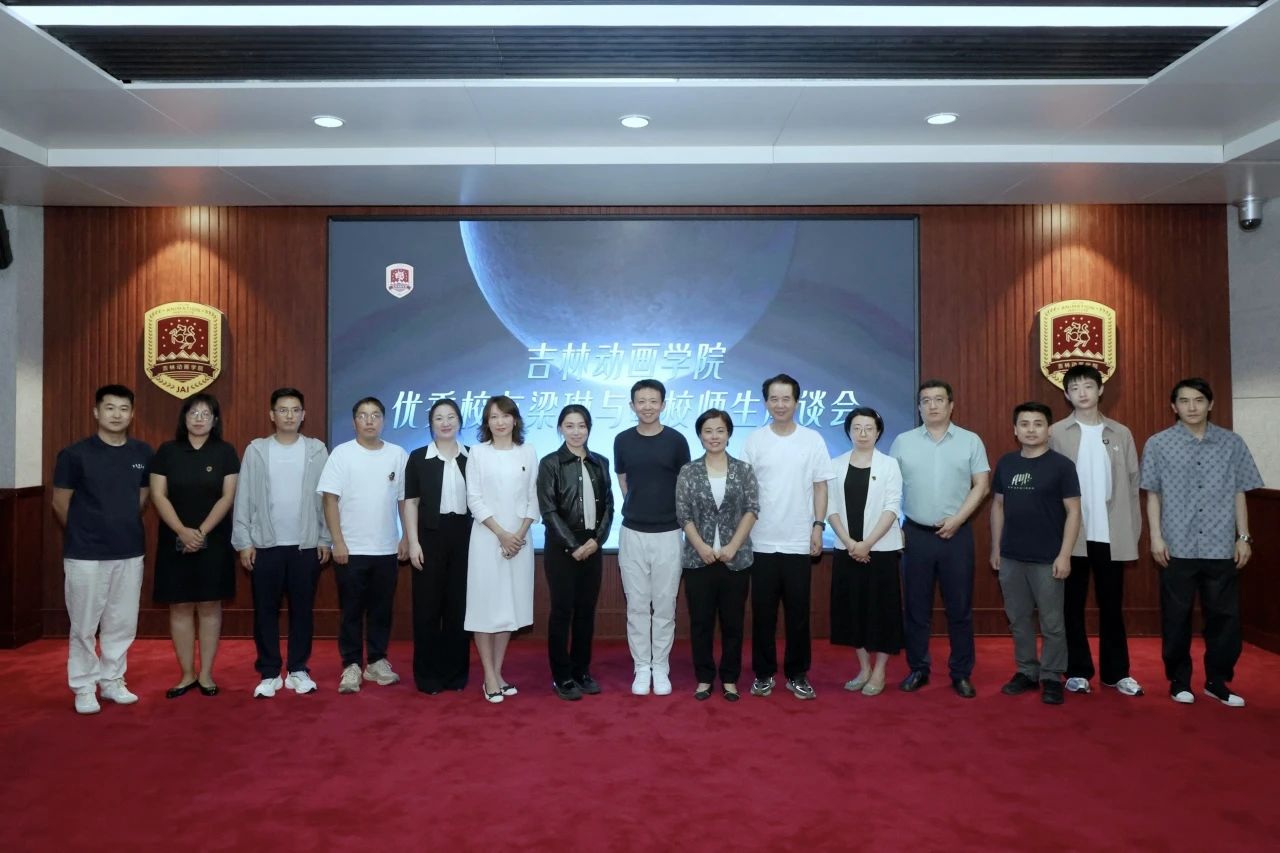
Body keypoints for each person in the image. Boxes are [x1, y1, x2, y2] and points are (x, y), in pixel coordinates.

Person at [1141, 377, 1263, 707]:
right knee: (1176, 617)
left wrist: (1243, 537)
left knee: (1225, 618)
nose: (1191, 407)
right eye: (1184, 401)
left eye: (1198, 400)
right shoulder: (1158, 443)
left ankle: (1217, 681)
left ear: (1210, 404)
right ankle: (1179, 681)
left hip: (1220, 544)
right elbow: (1153, 494)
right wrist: (1156, 537)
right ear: (1174, 406)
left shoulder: (1232, 443)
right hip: (1175, 545)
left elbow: (1239, 492)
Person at [52, 384, 154, 714]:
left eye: (124, 409)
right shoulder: (74, 454)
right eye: (109, 408)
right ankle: (84, 686)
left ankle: (112, 680)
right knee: (84, 625)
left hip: (129, 549)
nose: (116, 415)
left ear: (132, 414)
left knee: (122, 622)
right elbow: (60, 503)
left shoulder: (142, 453)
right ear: (96, 412)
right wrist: (85, 531)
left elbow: (142, 498)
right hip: (85, 553)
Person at [889, 379, 990, 699]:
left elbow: (982, 485)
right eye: (925, 400)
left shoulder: (970, 441)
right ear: (919, 407)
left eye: (938, 399)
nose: (932, 405)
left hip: (956, 536)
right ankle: (918, 668)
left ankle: (961, 673)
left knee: (959, 608)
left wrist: (958, 519)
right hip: (915, 535)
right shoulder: (903, 442)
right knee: (915, 608)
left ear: (951, 405)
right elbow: (890, 488)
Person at [1048, 365, 1144, 697]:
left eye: (1089, 386)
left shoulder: (1121, 433)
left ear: (1100, 390)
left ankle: (1117, 673)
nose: (1083, 393)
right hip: (1071, 534)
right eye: (1075, 388)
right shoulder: (1056, 433)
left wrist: (1132, 533)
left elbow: (1133, 486)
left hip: (1110, 533)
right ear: (1066, 394)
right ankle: (1077, 671)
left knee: (1112, 605)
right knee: (1071, 606)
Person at [232, 387, 331, 699]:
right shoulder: (257, 450)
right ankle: (270, 672)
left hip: (305, 545)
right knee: (266, 611)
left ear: (304, 415)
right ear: (272, 415)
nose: (289, 415)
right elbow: (244, 497)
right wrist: (244, 541)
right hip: (265, 545)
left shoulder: (316, 450)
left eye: (295, 410)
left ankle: (298, 669)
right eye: (283, 410)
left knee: (303, 611)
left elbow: (327, 499)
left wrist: (325, 537)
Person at [744, 373, 834, 701]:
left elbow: (821, 486)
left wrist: (818, 526)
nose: (780, 404)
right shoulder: (754, 440)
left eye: (786, 399)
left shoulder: (812, 440)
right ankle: (764, 673)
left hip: (798, 540)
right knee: (763, 614)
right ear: (766, 402)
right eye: (774, 398)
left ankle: (798, 674)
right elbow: (745, 490)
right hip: (761, 541)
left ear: (797, 402)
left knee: (798, 614)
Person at [989, 402, 1081, 706]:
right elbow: (998, 505)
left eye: (1038, 424)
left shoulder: (1062, 466)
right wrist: (996, 548)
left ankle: (1052, 676)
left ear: (1048, 430)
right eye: (1024, 424)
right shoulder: (1006, 463)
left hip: (1048, 558)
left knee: (1052, 622)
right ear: (1015, 430)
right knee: (1018, 619)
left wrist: (1065, 555)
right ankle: (1027, 671)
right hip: (1011, 556)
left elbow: (1074, 511)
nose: (1031, 429)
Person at [149, 393, 240, 698]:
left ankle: (206, 674)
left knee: (210, 605)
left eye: (206, 414)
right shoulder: (167, 451)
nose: (199, 419)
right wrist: (181, 531)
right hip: (174, 540)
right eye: (193, 413)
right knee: (180, 605)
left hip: (213, 540)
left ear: (215, 420)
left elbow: (227, 496)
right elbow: (158, 495)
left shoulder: (225, 452)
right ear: (184, 418)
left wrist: (200, 532)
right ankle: (187, 674)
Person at [317, 397, 409, 695]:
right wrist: (337, 541)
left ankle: (377, 661)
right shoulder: (342, 454)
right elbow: (329, 499)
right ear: (354, 421)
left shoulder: (397, 454)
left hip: (386, 548)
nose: (369, 420)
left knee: (382, 610)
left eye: (376, 415)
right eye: (363, 415)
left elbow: (404, 501)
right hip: (351, 549)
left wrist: (406, 537)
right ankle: (351, 664)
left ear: (383, 420)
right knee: (351, 611)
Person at [613, 379, 691, 696]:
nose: (647, 406)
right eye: (641, 401)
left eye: (653, 401)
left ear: (663, 404)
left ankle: (660, 666)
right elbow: (623, 481)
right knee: (636, 606)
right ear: (632, 405)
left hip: (669, 532)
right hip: (633, 532)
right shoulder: (622, 440)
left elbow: (684, 485)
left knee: (664, 604)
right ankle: (641, 666)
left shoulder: (676, 441)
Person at [675, 409, 759, 702]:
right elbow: (683, 513)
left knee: (733, 623)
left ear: (729, 434)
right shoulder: (689, 471)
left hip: (736, 559)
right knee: (701, 623)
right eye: (708, 431)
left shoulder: (743, 470)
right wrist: (700, 546)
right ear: (700, 435)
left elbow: (752, 509)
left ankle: (730, 679)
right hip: (698, 560)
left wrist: (733, 545)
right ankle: (704, 677)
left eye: (720, 431)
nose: (714, 436)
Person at [465, 395, 539, 704]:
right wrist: (501, 534)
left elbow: (533, 497)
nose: (500, 422)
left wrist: (518, 535)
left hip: (519, 541)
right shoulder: (478, 453)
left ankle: (497, 672)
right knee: (485, 607)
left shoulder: (528, 451)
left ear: (515, 419)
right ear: (487, 422)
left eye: (505, 416)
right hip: (487, 538)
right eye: (493, 417)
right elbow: (474, 498)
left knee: (509, 606)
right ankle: (489, 676)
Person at [537, 404, 614, 700]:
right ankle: (562, 676)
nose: (576, 431)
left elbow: (609, 506)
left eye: (581, 425)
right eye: (569, 426)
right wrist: (573, 545)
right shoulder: (550, 463)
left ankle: (582, 671)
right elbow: (548, 510)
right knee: (562, 611)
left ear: (589, 428)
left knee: (585, 612)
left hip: (592, 545)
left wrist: (597, 540)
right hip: (561, 547)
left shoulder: (600, 462)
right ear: (560, 429)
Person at [826, 407, 904, 697]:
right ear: (848, 431)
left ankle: (880, 670)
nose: (862, 433)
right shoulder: (835, 465)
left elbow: (892, 507)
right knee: (852, 610)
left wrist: (867, 543)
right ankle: (863, 668)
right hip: (847, 549)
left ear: (878, 432)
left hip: (880, 550)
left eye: (869, 428)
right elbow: (830, 507)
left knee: (882, 610)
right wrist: (850, 543)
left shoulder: (889, 465)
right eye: (857, 428)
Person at [404, 398, 473, 695]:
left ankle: (456, 674)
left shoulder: (472, 457)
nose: (446, 423)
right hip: (429, 536)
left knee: (459, 608)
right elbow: (411, 503)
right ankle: (428, 676)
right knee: (427, 608)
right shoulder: (418, 457)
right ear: (431, 424)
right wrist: (413, 542)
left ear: (460, 421)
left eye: (451, 417)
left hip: (465, 537)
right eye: (439, 418)